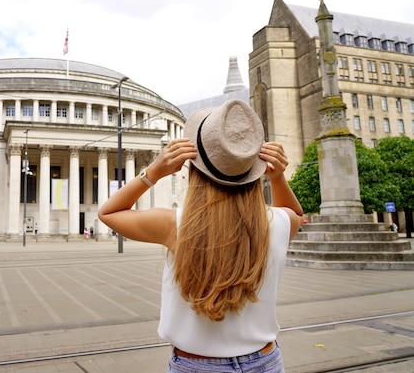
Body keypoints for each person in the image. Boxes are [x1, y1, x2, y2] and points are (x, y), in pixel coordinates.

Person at [98, 100, 303, 373]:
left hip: (195, 365)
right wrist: (277, 178)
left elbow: (109, 213)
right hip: (265, 362)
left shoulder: (175, 224)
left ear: (194, 169)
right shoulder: (277, 222)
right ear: (256, 168)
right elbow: (294, 212)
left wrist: (153, 172)